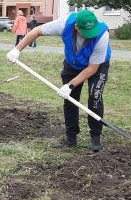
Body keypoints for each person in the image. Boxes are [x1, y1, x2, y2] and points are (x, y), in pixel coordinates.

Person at [7, 9, 111, 152]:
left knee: (95, 96)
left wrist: (70, 84)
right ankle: (71, 137)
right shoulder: (64, 24)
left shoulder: (102, 35)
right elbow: (36, 31)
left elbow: (92, 68)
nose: (90, 36)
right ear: (76, 27)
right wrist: (17, 49)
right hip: (72, 63)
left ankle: (95, 136)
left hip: (97, 66)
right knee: (69, 98)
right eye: (86, 33)